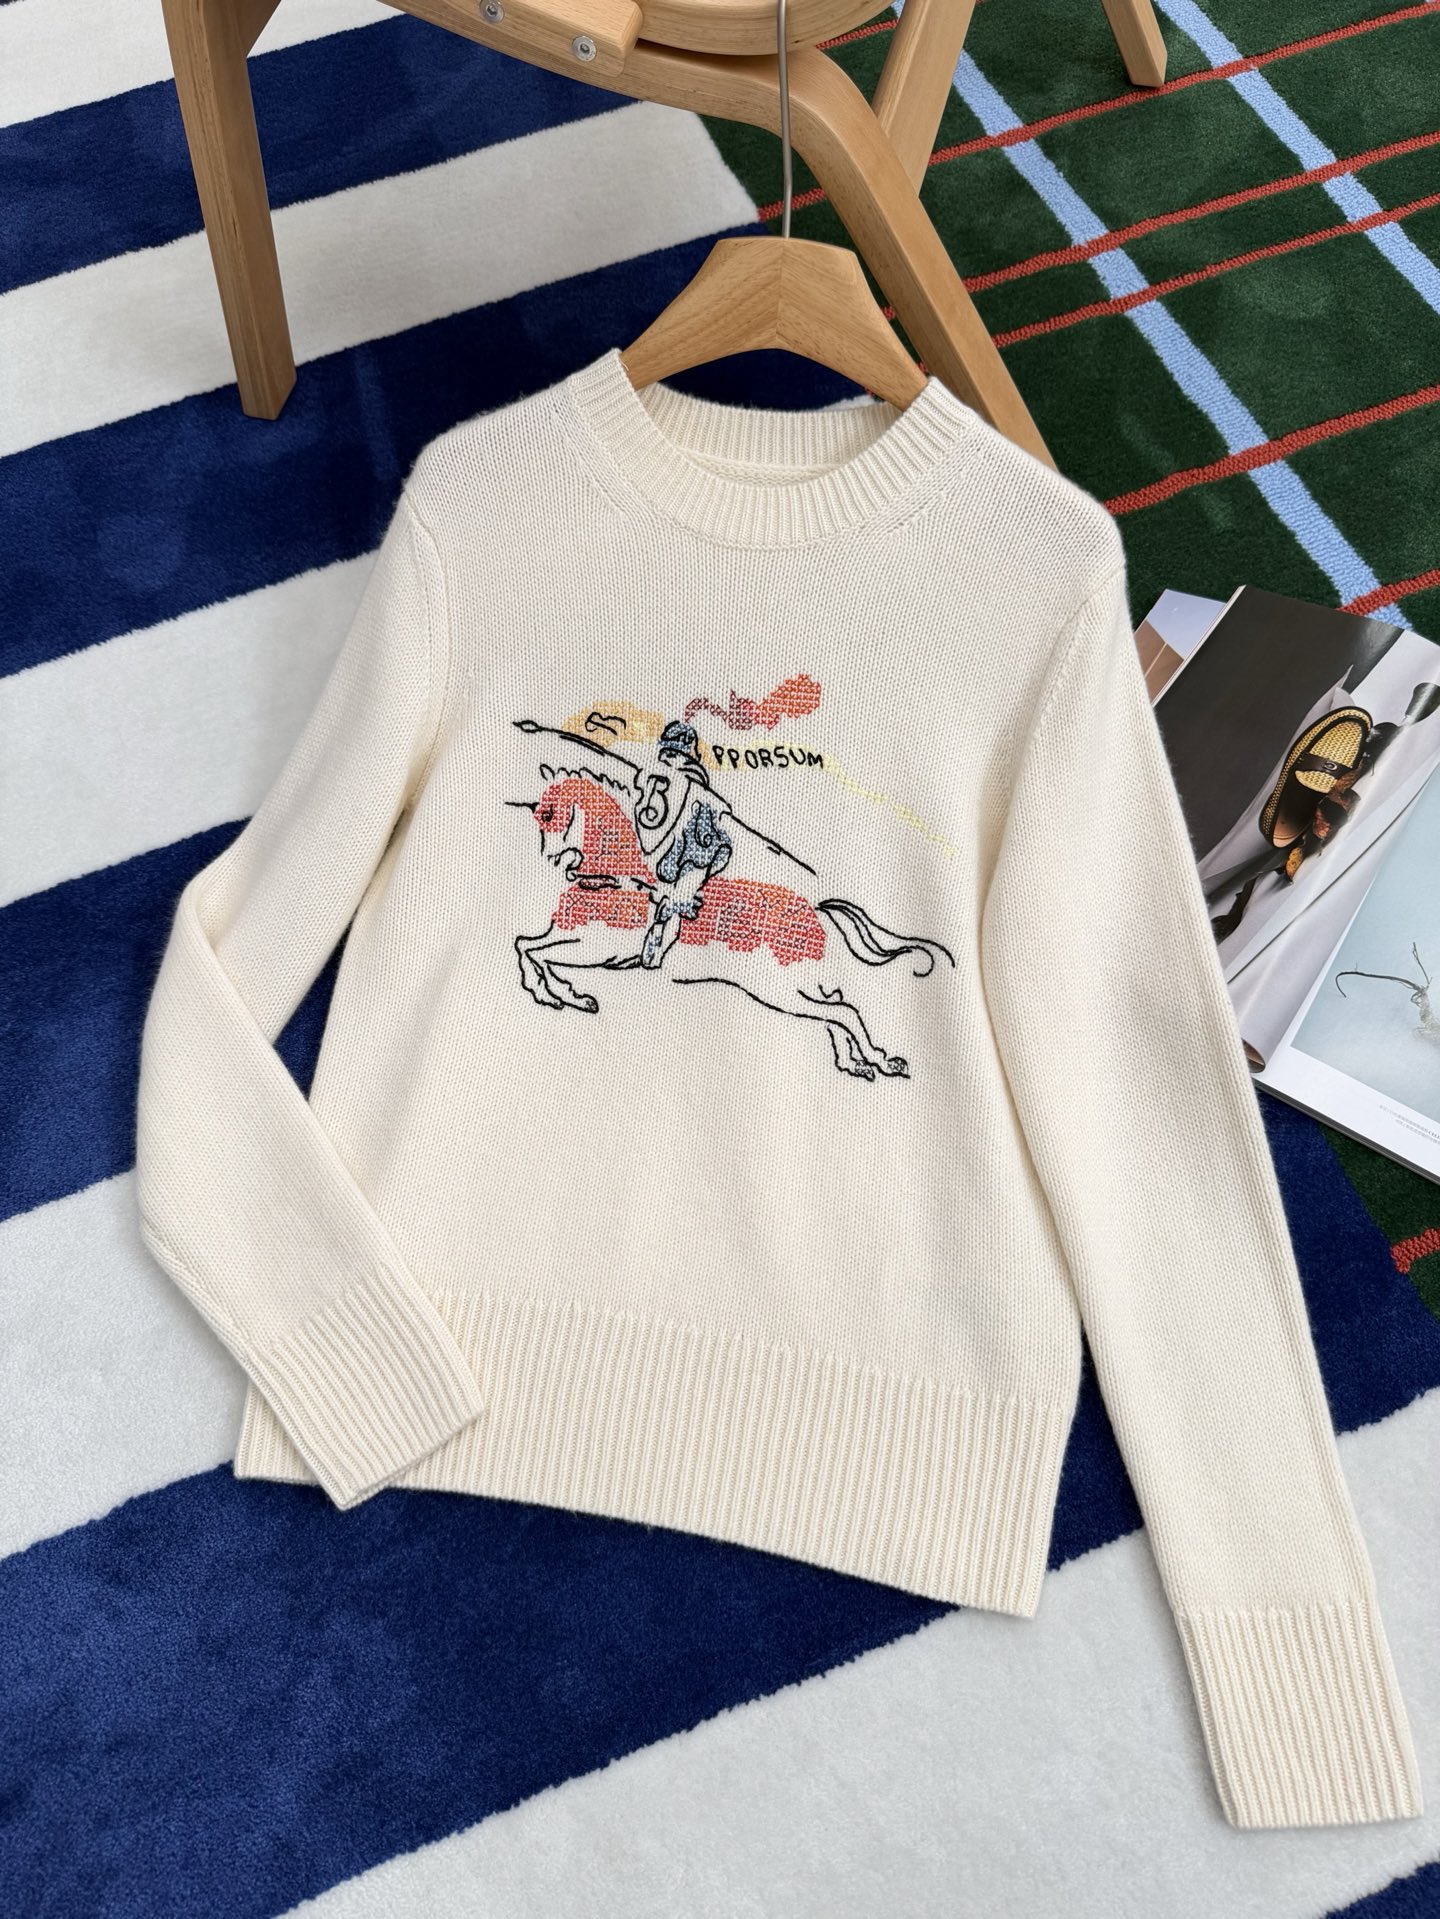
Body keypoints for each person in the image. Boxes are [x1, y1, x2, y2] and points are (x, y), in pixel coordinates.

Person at [631, 720, 734, 969]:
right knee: (671, 907)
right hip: (688, 853)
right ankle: (652, 956)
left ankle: (652, 957)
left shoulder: (664, 778)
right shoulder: (687, 781)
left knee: (671, 907)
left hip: (684, 853)